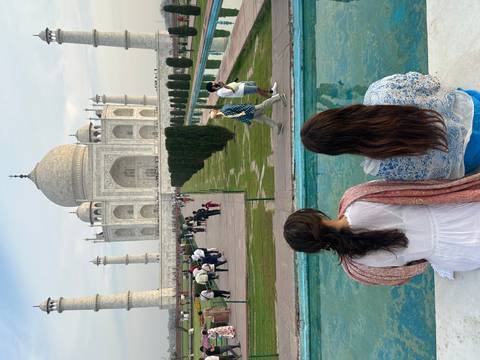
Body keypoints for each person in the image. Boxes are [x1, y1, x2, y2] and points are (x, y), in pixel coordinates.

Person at [283, 172, 480, 285]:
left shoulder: (356, 269)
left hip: (457, 255)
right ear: (315, 215)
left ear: (315, 247)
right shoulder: (355, 199)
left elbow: (408, 272)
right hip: (455, 212)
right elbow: (405, 185)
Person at [300, 72, 480, 180]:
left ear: (338, 149)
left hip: (469, 157)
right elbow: (432, 84)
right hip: (472, 111)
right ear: (335, 114)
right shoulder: (379, 91)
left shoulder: (376, 166)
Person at [209, 93, 287, 132]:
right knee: (263, 119)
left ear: (217, 117)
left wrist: (248, 123)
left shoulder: (225, 113)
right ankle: (277, 126)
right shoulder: (224, 108)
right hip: (248, 111)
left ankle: (279, 97)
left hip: (249, 112)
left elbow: (239, 116)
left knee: (264, 105)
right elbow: (236, 107)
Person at [206, 79, 277, 98]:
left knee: (253, 84)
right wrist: (224, 85)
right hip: (240, 90)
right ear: (212, 88)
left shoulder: (219, 88)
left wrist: (222, 85)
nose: (214, 83)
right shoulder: (220, 92)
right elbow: (232, 91)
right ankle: (271, 97)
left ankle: (271, 92)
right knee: (256, 89)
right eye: (212, 84)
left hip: (239, 85)